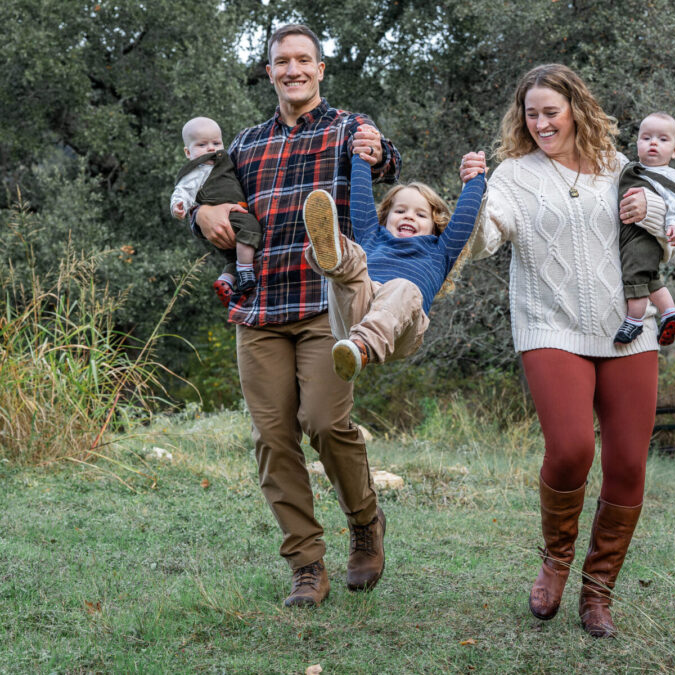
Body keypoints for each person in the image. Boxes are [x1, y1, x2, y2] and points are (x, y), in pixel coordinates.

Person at [190, 24, 401, 608]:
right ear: (269, 72)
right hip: (258, 308)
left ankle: (364, 521)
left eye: (303, 60)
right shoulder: (247, 143)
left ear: (320, 69)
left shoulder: (346, 129)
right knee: (272, 437)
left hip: (325, 304)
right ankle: (307, 564)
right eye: (282, 61)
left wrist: (378, 152)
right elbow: (210, 198)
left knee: (325, 422)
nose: (293, 69)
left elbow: (383, 162)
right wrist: (200, 219)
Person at [458, 63, 671, 638]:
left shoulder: (621, 169)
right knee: (573, 448)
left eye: (551, 111)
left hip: (629, 327)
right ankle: (556, 559)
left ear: (576, 107)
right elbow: (483, 240)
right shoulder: (513, 176)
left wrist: (650, 212)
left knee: (627, 464)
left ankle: (598, 591)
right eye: (532, 113)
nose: (542, 122)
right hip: (549, 325)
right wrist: (471, 199)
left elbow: (668, 235)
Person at [301, 147, 485, 381]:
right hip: (356, 307)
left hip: (401, 327)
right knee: (354, 259)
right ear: (385, 217)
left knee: (403, 287)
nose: (409, 216)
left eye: (420, 215)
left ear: (435, 224)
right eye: (400, 210)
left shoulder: (440, 251)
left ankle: (361, 346)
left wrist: (476, 178)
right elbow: (361, 198)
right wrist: (361, 155)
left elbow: (465, 217)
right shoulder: (372, 236)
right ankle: (331, 253)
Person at [613, 112, 675, 346]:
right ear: (637, 144)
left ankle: (634, 320)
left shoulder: (670, 176)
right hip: (631, 235)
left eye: (662, 140)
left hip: (642, 238)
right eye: (646, 138)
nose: (653, 143)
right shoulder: (632, 168)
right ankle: (669, 312)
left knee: (635, 278)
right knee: (650, 278)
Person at [170, 116, 262, 303]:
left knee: (232, 258)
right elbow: (184, 189)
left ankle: (225, 281)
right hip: (230, 217)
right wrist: (179, 205)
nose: (211, 149)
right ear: (188, 152)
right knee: (250, 227)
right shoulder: (199, 169)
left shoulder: (224, 163)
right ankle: (246, 273)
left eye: (216, 143)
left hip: (230, 218)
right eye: (202, 145)